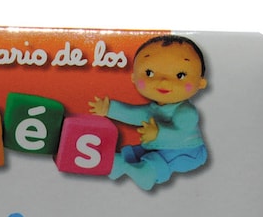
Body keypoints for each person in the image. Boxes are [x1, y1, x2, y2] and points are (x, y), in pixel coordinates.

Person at [89, 35, 208, 189]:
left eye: (180, 76)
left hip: (187, 151)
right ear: (134, 77)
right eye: (149, 73)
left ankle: (146, 173)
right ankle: (120, 162)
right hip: (156, 146)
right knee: (138, 151)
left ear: (200, 83)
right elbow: (134, 114)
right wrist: (109, 109)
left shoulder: (186, 112)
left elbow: (180, 133)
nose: (163, 81)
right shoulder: (153, 109)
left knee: (159, 159)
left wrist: (158, 133)